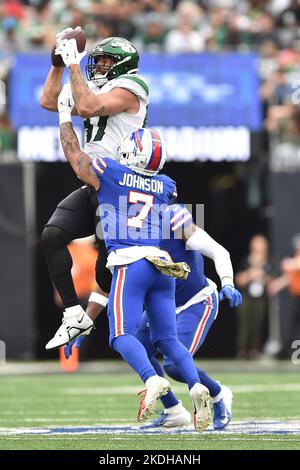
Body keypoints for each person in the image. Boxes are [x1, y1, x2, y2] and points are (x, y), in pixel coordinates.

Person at [55, 113, 213, 432]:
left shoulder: (110, 171)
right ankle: (196, 386)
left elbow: (74, 154)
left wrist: (63, 116)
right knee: (167, 339)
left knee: (121, 336)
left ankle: (152, 379)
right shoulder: (165, 185)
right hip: (161, 265)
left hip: (131, 261)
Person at [65, 205, 242, 430]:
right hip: (161, 304)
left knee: (174, 365)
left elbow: (219, 251)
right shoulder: (122, 228)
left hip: (195, 300)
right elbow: (108, 285)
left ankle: (219, 395)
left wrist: (227, 281)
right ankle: (174, 410)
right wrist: (84, 324)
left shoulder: (174, 219)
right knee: (138, 350)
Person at [40, 29, 149, 342]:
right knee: (53, 234)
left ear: (123, 64)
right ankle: (74, 314)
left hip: (121, 186)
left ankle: (149, 329)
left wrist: (74, 64)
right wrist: (59, 64)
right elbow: (48, 101)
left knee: (106, 271)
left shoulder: (133, 85)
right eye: (97, 59)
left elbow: (87, 107)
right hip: (95, 183)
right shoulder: (94, 89)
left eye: (105, 60)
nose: (98, 64)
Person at [235, 235, 272, 359]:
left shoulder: (268, 262)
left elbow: (272, 281)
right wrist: (250, 275)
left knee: (258, 323)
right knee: (244, 324)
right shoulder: (246, 261)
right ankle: (242, 350)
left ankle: (254, 350)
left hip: (260, 298)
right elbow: (238, 279)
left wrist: (263, 276)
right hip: (246, 296)